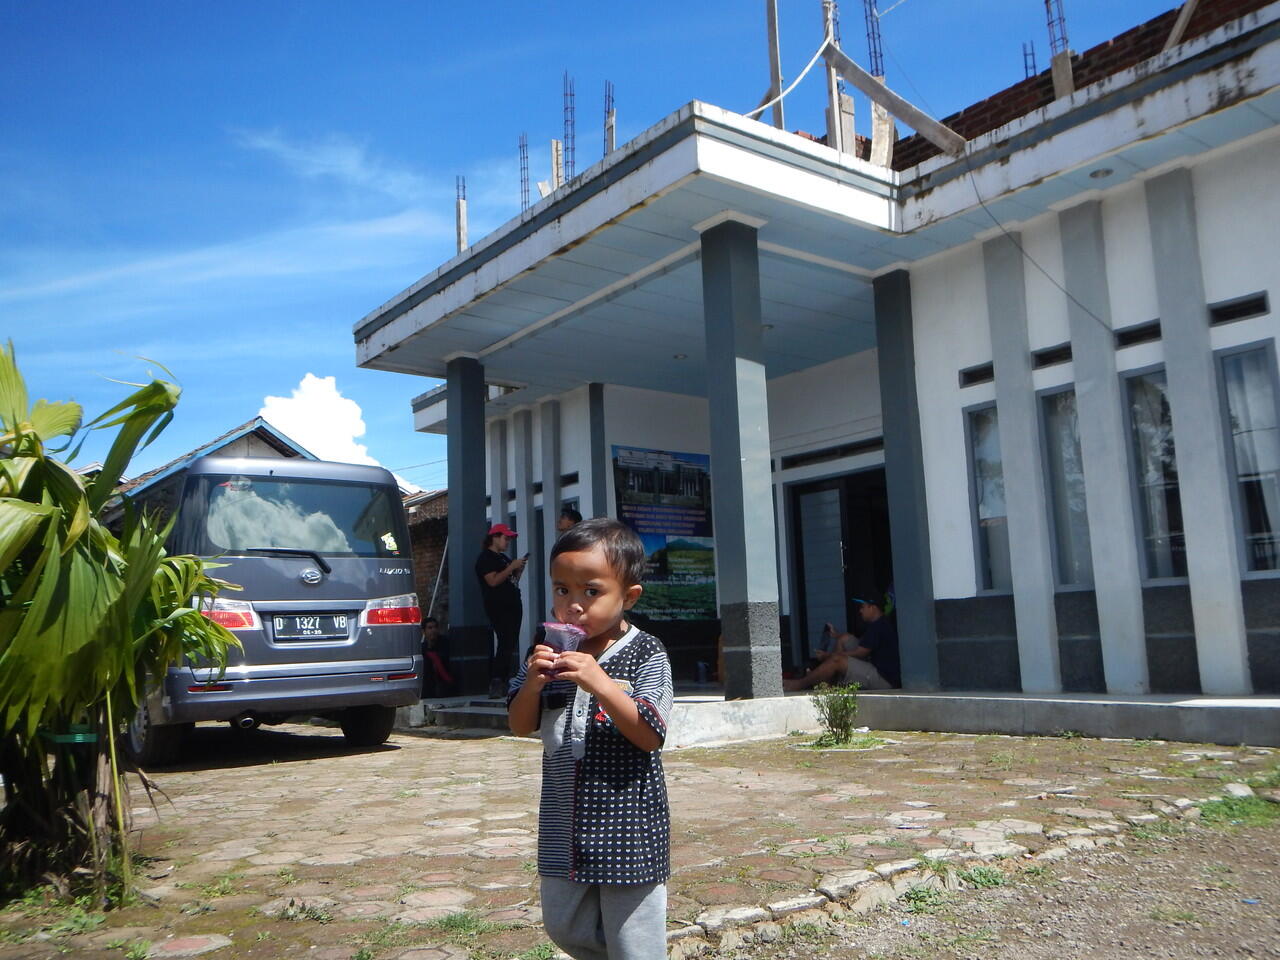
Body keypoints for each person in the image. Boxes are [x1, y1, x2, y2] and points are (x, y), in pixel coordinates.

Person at [508, 518, 672, 960]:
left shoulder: (646, 653)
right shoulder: (547, 651)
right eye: (562, 590)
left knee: (634, 941)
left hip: (629, 826)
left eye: (591, 592)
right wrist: (532, 685)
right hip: (564, 821)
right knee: (564, 925)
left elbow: (649, 735)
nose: (573, 606)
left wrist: (601, 681)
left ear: (628, 596)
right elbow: (520, 724)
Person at [783, 594, 900, 692]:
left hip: (884, 679)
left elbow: (861, 653)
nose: (860, 611)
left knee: (837, 659)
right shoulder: (879, 622)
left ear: (873, 607)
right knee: (844, 639)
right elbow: (866, 644)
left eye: (863, 607)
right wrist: (837, 635)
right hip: (874, 664)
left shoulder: (879, 626)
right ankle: (829, 680)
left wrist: (828, 656)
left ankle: (800, 684)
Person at [476, 523, 528, 698]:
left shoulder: (504, 559)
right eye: (505, 538)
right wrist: (511, 567)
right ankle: (497, 680)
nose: (507, 542)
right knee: (505, 640)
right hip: (498, 606)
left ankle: (504, 680)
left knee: (510, 642)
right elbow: (493, 581)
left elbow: (512, 580)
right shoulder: (486, 558)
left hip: (513, 603)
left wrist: (518, 570)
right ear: (495, 537)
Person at [420, 616, 456, 698]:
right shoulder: (422, 648)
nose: (433, 630)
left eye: (435, 627)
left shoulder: (445, 643)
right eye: (430, 628)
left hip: (445, 684)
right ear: (424, 631)